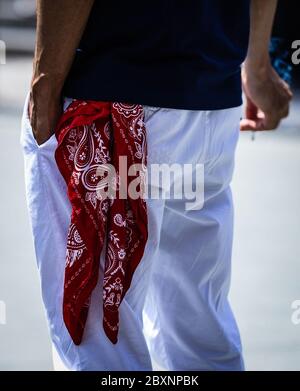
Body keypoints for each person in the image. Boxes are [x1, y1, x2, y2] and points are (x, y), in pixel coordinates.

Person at [21, 0, 292, 371]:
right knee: (197, 335)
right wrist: (256, 65)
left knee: (99, 346)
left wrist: (45, 81)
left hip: (111, 98)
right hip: (209, 101)